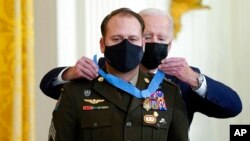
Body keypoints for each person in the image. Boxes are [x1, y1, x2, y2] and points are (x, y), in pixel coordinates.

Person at [41, 8, 242, 124]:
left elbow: (233, 107)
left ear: (170, 44)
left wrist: (196, 81)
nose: (154, 42)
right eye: (147, 36)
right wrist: (69, 74)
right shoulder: (99, 69)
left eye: (161, 37)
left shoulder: (182, 79)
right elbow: (48, 85)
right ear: (138, 39)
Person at [48, 8, 189, 141]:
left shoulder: (170, 93)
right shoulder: (74, 92)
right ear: (102, 44)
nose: (126, 45)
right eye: (117, 39)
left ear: (143, 44)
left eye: (133, 39)